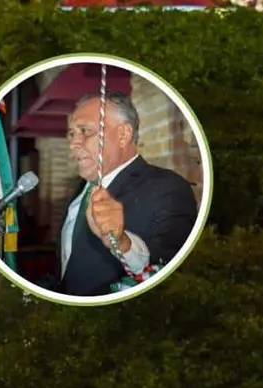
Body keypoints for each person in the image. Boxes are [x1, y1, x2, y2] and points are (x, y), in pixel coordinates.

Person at [59, 91, 198, 296]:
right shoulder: (81, 188)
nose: (73, 144)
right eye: (72, 133)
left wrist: (123, 242)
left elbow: (171, 267)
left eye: (85, 131)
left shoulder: (168, 188)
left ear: (123, 135)